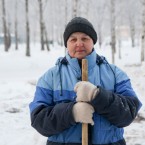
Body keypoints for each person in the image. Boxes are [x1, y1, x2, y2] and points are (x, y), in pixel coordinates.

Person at [29, 17, 142, 145]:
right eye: (73, 39)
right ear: (66, 44)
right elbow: (38, 120)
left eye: (85, 38)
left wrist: (97, 95)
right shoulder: (50, 77)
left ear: (93, 41)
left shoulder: (115, 74)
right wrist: (71, 112)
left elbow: (129, 113)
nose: (79, 43)